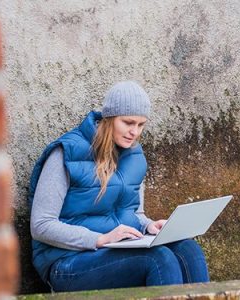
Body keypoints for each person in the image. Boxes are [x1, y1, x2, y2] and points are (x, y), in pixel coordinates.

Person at [28, 81, 209, 292]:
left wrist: (148, 226)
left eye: (141, 125)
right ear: (110, 118)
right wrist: (100, 239)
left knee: (188, 249)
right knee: (158, 259)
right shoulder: (66, 152)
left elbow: (134, 213)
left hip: (115, 251)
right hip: (67, 262)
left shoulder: (134, 156)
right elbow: (40, 225)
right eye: (128, 123)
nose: (135, 132)